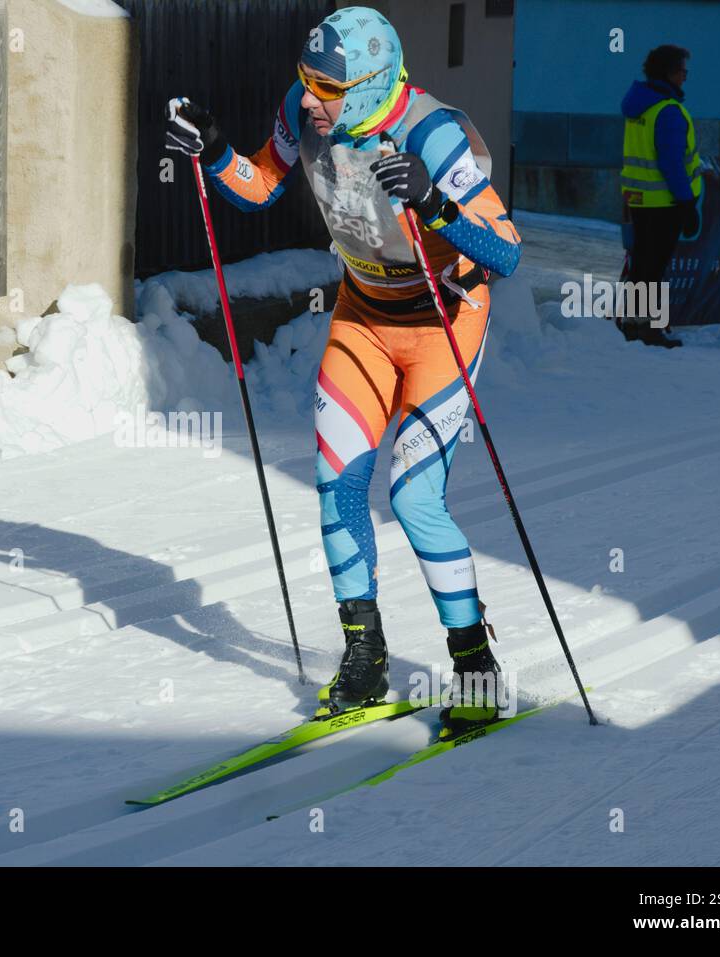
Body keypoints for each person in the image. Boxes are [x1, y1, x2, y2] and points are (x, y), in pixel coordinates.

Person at [165, 7, 521, 740]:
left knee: (416, 499)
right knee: (338, 481)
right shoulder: (304, 106)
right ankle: (366, 654)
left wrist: (433, 202)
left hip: (443, 319)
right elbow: (263, 184)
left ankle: (475, 663)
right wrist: (215, 151)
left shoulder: (432, 132)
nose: (312, 99)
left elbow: (507, 253)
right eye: (307, 80)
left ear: (367, 85)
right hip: (365, 312)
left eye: (328, 87)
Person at [618, 44, 703, 348]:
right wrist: (687, 203)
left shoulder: (639, 105)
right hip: (664, 202)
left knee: (641, 263)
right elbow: (672, 163)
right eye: (682, 71)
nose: (685, 77)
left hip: (639, 199)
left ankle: (631, 324)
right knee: (653, 267)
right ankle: (651, 328)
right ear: (669, 73)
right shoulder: (668, 111)